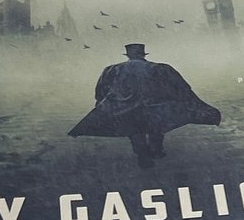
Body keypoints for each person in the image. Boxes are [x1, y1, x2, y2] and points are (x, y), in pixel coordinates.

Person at [69, 42, 220, 168]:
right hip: (153, 106)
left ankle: (142, 154)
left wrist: (102, 104)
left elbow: (101, 89)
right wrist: (187, 101)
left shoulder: (113, 69)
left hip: (125, 107)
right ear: (143, 54)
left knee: (134, 130)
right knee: (155, 127)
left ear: (128, 55)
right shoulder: (159, 68)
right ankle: (156, 150)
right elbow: (180, 86)